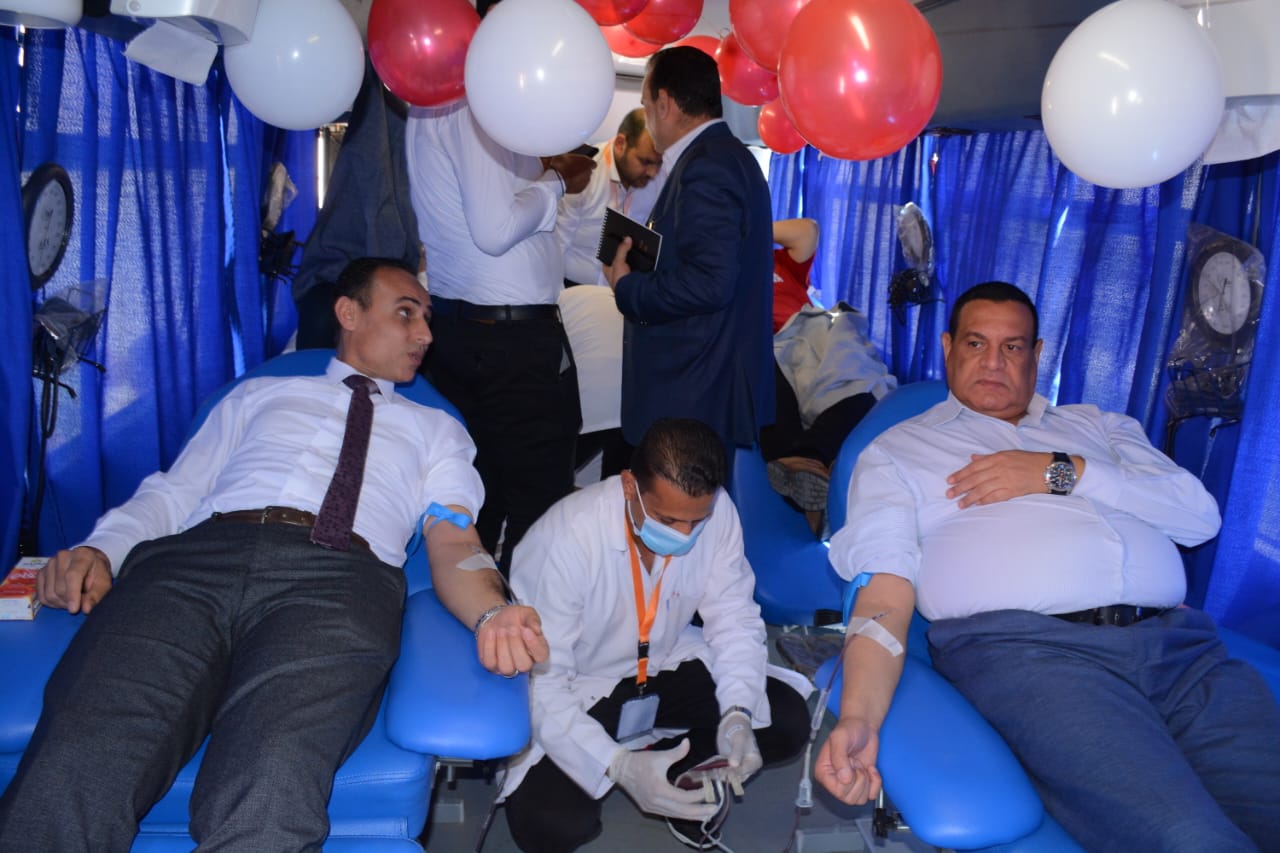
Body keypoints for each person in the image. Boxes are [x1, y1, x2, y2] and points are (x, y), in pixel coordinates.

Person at [0, 258, 549, 851]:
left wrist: (493, 611)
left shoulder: (437, 429)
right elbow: (173, 492)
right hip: (190, 564)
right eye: (406, 314)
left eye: (428, 320)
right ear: (349, 313)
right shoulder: (257, 394)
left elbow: (456, 540)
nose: (426, 335)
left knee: (269, 783)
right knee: (78, 760)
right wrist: (100, 549)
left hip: (339, 582)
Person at [815, 282, 1280, 850]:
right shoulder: (898, 453)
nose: (993, 362)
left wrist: (1062, 472)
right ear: (948, 347)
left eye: (1012, 347)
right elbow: (883, 596)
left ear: (1037, 355)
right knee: (1190, 840)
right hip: (1033, 657)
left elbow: (1198, 519)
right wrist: (858, 719)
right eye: (976, 343)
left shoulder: (1100, 428)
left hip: (1181, 650)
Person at [500, 418, 810, 852]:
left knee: (785, 720)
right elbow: (542, 685)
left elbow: (734, 619)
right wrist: (617, 765)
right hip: (582, 686)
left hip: (664, 664)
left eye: (695, 522)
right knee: (553, 824)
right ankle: (636, 764)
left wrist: (737, 712)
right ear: (629, 486)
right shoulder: (564, 540)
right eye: (668, 520)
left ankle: (682, 771)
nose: (685, 536)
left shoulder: (717, 512)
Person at [405, 91, 594, 574]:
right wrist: (557, 180)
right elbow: (495, 230)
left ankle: (475, 610)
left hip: (461, 329)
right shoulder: (474, 104)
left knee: (474, 493)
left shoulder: (428, 101)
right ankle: (517, 615)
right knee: (538, 502)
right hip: (513, 338)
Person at [605, 47, 775, 461]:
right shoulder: (728, 156)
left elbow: (709, 281)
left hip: (696, 389)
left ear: (665, 103)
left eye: (646, 105)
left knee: (679, 503)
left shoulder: (707, 165)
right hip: (706, 384)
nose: (648, 117)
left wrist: (629, 286)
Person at [761, 219, 897, 529]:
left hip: (817, 328)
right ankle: (814, 467)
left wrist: (743, 226)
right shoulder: (719, 274)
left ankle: (808, 467)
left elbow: (807, 231)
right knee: (768, 370)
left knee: (863, 380)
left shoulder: (777, 261)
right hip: (774, 344)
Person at [558, 108, 664, 288]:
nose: (653, 173)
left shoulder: (660, 177)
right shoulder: (582, 174)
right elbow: (557, 247)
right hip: (574, 288)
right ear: (621, 144)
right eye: (645, 162)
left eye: (658, 163)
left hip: (627, 289)